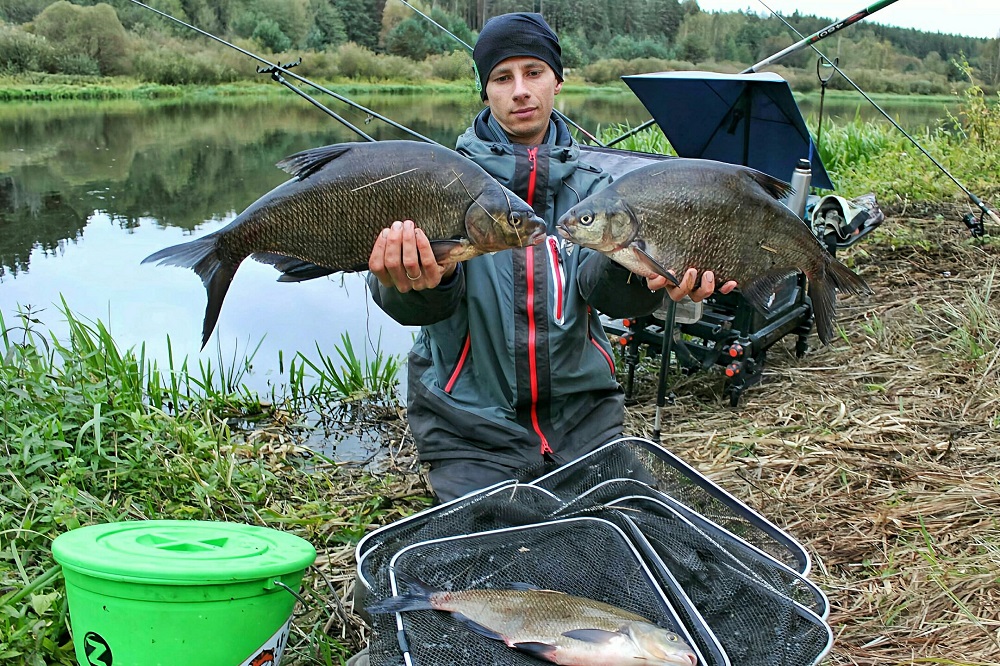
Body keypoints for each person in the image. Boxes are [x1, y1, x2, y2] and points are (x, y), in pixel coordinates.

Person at [348, 12, 735, 666]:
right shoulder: (437, 183)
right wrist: (413, 279)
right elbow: (409, 306)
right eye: (502, 77)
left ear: (558, 81)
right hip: (471, 424)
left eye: (534, 73)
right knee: (497, 567)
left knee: (656, 555)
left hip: (584, 421)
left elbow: (602, 286)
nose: (520, 89)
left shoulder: (600, 188)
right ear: (485, 91)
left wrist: (653, 276)